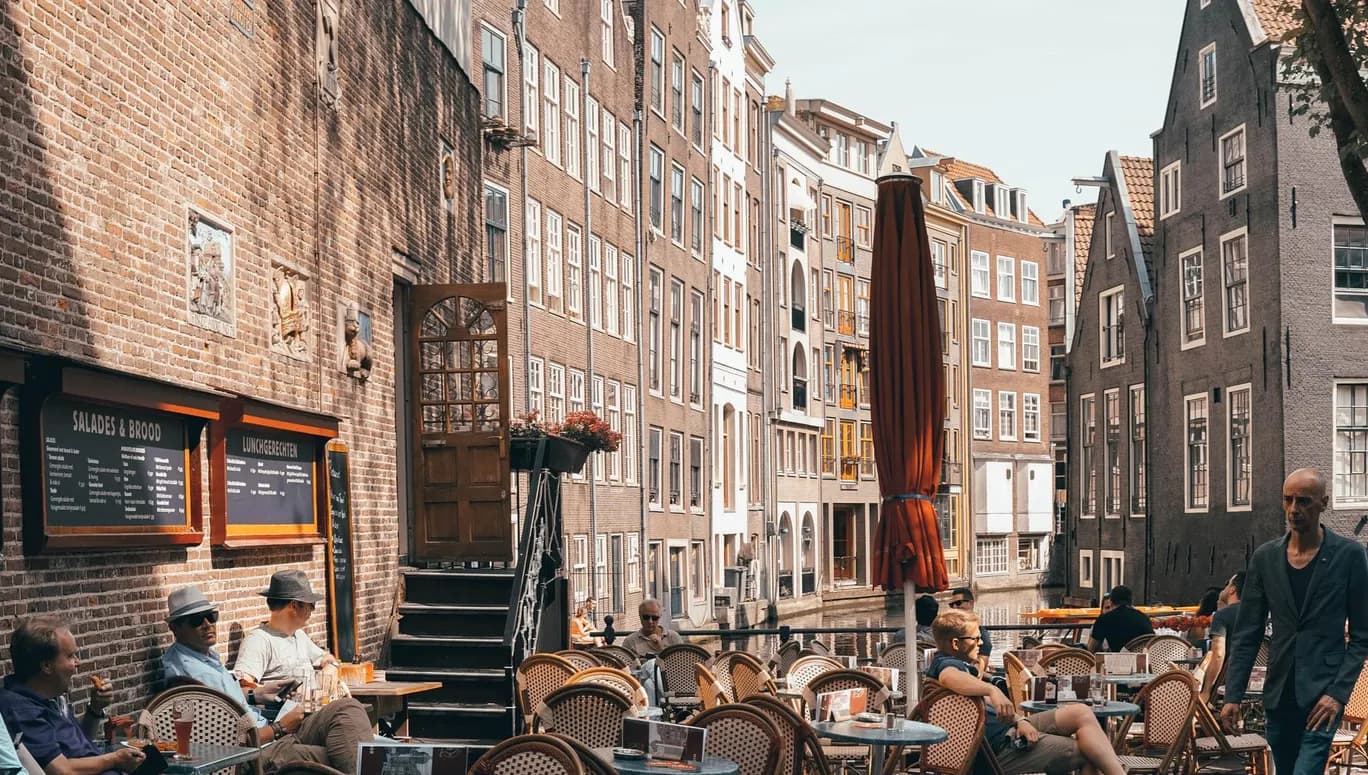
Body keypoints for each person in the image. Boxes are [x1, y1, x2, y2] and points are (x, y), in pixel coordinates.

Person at [1221, 468, 1368, 775]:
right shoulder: (1265, 558)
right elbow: (1248, 633)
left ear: (1323, 503)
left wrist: (1337, 694)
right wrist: (1232, 694)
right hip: (1279, 692)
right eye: (1288, 500)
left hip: (1323, 695)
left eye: (1303, 501)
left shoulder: (1350, 556)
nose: (1293, 509)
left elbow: (1362, 637)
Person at [161, 586, 373, 773]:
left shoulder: (203, 656)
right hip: (254, 754)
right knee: (341, 753)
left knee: (348, 708)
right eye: (197, 620)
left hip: (269, 730)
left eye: (211, 616)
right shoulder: (190, 677)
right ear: (175, 628)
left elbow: (227, 699)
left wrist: (257, 694)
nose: (207, 624)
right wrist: (280, 727)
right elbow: (222, 743)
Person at [926, 609, 1125, 775]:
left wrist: (1018, 720)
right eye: (976, 638)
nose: (980, 642)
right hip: (999, 746)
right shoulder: (947, 664)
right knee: (1088, 751)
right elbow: (949, 676)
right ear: (955, 643)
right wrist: (992, 689)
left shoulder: (956, 664)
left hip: (1007, 728)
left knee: (1081, 712)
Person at [0, 616, 147, 775]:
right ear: (47, 666)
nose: (78, 663)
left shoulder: (49, 696)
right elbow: (62, 770)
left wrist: (95, 710)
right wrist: (115, 759)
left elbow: (79, 746)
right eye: (71, 656)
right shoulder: (22, 710)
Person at [233, 570, 341, 688]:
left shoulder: (299, 635)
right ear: (293, 605)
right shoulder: (259, 641)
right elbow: (243, 685)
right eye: (311, 604)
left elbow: (325, 657)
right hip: (286, 706)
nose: (313, 610)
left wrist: (331, 666)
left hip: (316, 704)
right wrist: (281, 694)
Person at [1087, 585, 1153, 652]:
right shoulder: (1144, 617)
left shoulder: (1104, 619)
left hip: (1119, 660)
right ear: (1131, 602)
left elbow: (1091, 649)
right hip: (1146, 660)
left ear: (1111, 603)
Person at [1207, 572, 1245, 669]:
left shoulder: (1222, 616)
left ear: (1232, 589)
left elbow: (1218, 655)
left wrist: (1209, 684)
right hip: (1259, 678)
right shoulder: (1261, 615)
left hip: (1230, 677)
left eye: (1228, 584)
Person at [949, 588, 991, 671]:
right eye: (951, 604)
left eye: (958, 603)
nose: (954, 607)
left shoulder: (981, 633)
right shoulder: (949, 629)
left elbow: (980, 669)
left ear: (971, 603)